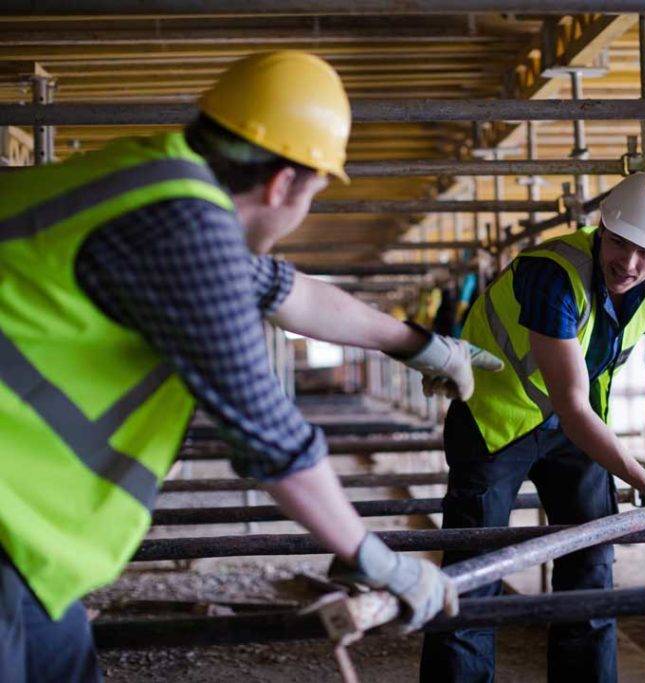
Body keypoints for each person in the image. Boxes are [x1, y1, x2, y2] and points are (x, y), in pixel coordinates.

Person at [0, 50, 501, 682]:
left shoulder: (155, 184)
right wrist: (374, 555)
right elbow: (269, 433)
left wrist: (420, 344)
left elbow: (295, 294)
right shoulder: (183, 228)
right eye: (317, 190)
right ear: (282, 183)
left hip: (24, 538)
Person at [419, 172, 645, 682]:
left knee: (591, 573)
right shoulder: (552, 274)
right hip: (493, 422)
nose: (629, 263)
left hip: (574, 428)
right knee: (472, 577)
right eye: (618, 243)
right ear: (600, 227)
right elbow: (572, 405)